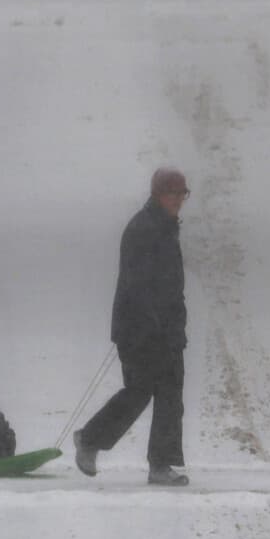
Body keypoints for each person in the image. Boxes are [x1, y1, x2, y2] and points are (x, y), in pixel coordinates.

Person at [74, 167, 191, 486]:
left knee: (169, 395)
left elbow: (171, 286)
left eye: (182, 194)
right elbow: (137, 286)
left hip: (165, 331)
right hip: (141, 331)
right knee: (138, 393)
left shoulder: (166, 227)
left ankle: (161, 465)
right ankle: (89, 440)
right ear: (157, 194)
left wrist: (176, 326)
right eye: (173, 193)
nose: (179, 200)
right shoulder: (144, 229)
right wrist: (153, 328)